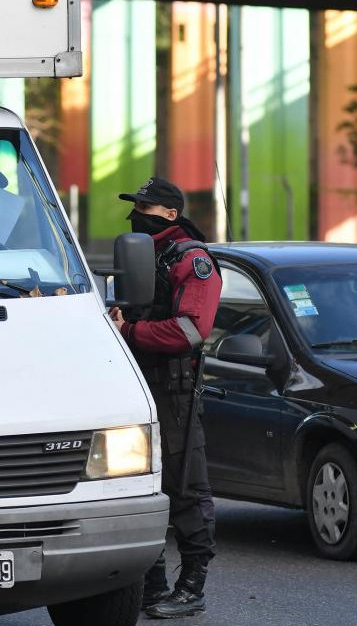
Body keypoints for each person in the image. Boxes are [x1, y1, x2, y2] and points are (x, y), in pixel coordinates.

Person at [108, 176, 222, 619]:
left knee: (185, 486)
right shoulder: (147, 255)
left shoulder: (192, 261)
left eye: (145, 207)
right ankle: (152, 586)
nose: (136, 214)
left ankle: (191, 587)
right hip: (138, 383)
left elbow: (192, 330)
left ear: (171, 214)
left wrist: (131, 331)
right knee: (140, 483)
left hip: (173, 388)